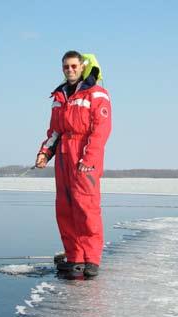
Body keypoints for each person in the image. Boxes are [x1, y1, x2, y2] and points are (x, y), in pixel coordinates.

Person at [35, 51, 112, 277]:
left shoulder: (96, 94)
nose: (69, 70)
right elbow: (55, 131)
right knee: (65, 208)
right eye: (66, 67)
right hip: (63, 156)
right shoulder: (60, 96)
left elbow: (101, 130)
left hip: (85, 154)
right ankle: (74, 256)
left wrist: (89, 158)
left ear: (82, 67)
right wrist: (45, 153)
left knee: (86, 207)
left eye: (73, 66)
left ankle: (91, 259)